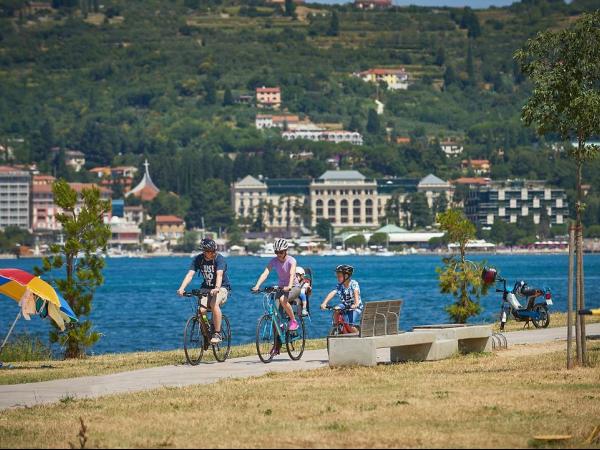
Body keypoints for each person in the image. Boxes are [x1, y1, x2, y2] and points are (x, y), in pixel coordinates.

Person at [177, 238, 231, 344]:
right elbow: (190, 274)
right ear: (203, 251)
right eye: (208, 251)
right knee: (201, 311)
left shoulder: (220, 259)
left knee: (213, 304)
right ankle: (206, 332)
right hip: (206, 288)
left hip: (222, 287)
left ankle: (217, 333)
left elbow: (219, 275)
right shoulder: (199, 259)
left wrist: (216, 288)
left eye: (212, 251)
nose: (211, 253)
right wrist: (182, 288)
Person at [252, 238, 300, 333]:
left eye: (281, 252)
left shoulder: (292, 260)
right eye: (276, 252)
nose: (278, 254)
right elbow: (265, 273)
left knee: (283, 300)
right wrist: (257, 286)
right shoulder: (274, 261)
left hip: (294, 287)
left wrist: (289, 286)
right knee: (276, 314)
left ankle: (294, 321)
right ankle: (277, 345)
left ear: (286, 251)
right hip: (281, 288)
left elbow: (291, 274)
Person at [320, 264, 363, 334]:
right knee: (336, 309)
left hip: (356, 307)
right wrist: (324, 303)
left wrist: (356, 304)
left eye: (339, 276)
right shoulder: (340, 285)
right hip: (345, 305)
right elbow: (333, 292)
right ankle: (336, 326)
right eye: (337, 276)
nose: (337, 278)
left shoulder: (354, 284)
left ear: (346, 276)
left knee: (349, 325)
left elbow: (356, 293)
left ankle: (358, 336)